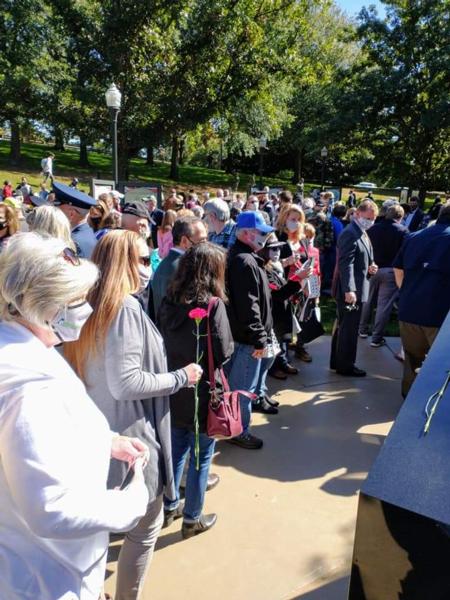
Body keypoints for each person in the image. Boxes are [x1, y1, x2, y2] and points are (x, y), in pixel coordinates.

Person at [0, 233, 149, 600]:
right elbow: (51, 508)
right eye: (77, 299)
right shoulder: (29, 386)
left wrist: (106, 441)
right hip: (48, 576)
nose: (86, 308)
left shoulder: (23, 346)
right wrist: (129, 504)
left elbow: (46, 436)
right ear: (45, 306)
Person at [64, 230, 202, 600]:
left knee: (96, 533)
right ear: (122, 263)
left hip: (95, 436)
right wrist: (182, 377)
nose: (148, 266)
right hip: (131, 439)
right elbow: (126, 382)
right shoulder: (124, 307)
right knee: (145, 529)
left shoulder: (85, 301)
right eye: (142, 259)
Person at [158, 242, 234, 538]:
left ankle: (168, 506)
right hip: (203, 390)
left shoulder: (169, 299)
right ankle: (192, 517)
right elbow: (224, 351)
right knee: (201, 457)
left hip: (174, 384)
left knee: (176, 450)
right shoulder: (212, 305)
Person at [226, 211, 277, 449]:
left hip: (244, 336)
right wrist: (259, 338)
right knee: (243, 389)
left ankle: (234, 426)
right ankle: (239, 431)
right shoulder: (244, 261)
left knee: (239, 386)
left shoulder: (245, 258)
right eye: (261, 233)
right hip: (247, 339)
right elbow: (249, 305)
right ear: (246, 234)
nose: (265, 238)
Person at [393, 204, 450, 397]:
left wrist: (407, 291)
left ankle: (410, 401)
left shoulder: (413, 237)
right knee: (442, 365)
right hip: (440, 315)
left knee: (412, 361)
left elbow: (398, 269)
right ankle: (434, 404)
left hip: (409, 310)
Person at [330, 199, 379, 376]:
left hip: (357, 286)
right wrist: (349, 289)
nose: (370, 222)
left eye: (373, 219)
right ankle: (346, 366)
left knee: (345, 328)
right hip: (351, 291)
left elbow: (361, 258)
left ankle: (338, 362)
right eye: (368, 218)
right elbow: (346, 264)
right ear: (357, 214)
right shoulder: (351, 233)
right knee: (348, 330)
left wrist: (371, 266)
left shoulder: (361, 231)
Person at [359, 204, 408, 346]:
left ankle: (362, 330)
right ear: (400, 217)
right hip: (391, 271)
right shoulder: (403, 231)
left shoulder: (372, 229)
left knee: (367, 301)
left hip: (372, 268)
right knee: (384, 306)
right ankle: (376, 338)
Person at [151, 216, 208, 319]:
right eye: (202, 241)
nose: (206, 245)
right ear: (184, 241)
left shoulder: (165, 263)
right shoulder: (184, 268)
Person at [53, 181, 98, 258]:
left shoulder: (72, 243)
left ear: (71, 214)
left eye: (58, 210)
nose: (54, 213)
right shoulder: (86, 233)